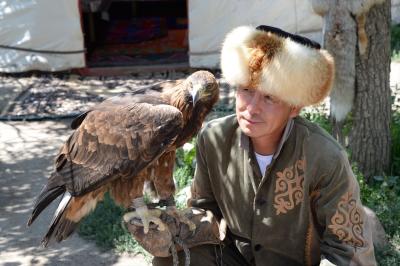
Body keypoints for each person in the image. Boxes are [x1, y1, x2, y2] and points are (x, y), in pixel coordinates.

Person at [152, 25, 376, 266]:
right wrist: (174, 229)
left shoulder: (325, 157)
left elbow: (348, 247)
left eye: (269, 97)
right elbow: (205, 210)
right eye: (246, 90)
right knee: (173, 257)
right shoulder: (213, 139)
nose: (252, 107)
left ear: (294, 107)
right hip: (235, 259)